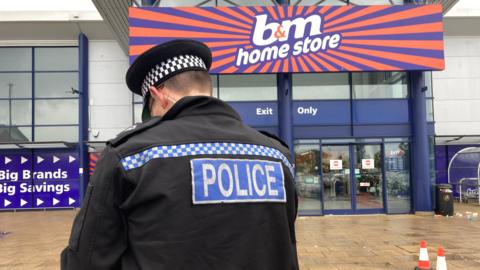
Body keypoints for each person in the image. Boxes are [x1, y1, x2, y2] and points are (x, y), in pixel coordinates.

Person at [61, 39, 299, 270]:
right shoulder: (277, 155)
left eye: (149, 111)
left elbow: (86, 259)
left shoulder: (129, 156)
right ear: (208, 89)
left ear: (158, 94)